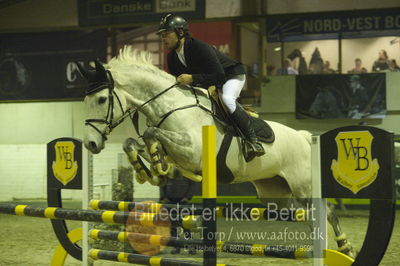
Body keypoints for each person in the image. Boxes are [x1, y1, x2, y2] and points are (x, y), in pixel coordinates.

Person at [157, 14, 265, 159]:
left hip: (231, 75)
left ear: (180, 32)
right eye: (161, 36)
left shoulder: (199, 47)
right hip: (209, 82)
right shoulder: (171, 57)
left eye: (166, 34)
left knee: (227, 98)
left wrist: (192, 78)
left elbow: (219, 76)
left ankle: (253, 141)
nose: (163, 39)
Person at [159, 171, 196, 254]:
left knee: (186, 224)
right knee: (172, 226)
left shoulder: (186, 170)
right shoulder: (168, 170)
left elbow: (192, 184)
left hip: (183, 202)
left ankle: (191, 246)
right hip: (169, 201)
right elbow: (162, 183)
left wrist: (187, 197)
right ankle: (176, 246)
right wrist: (163, 197)